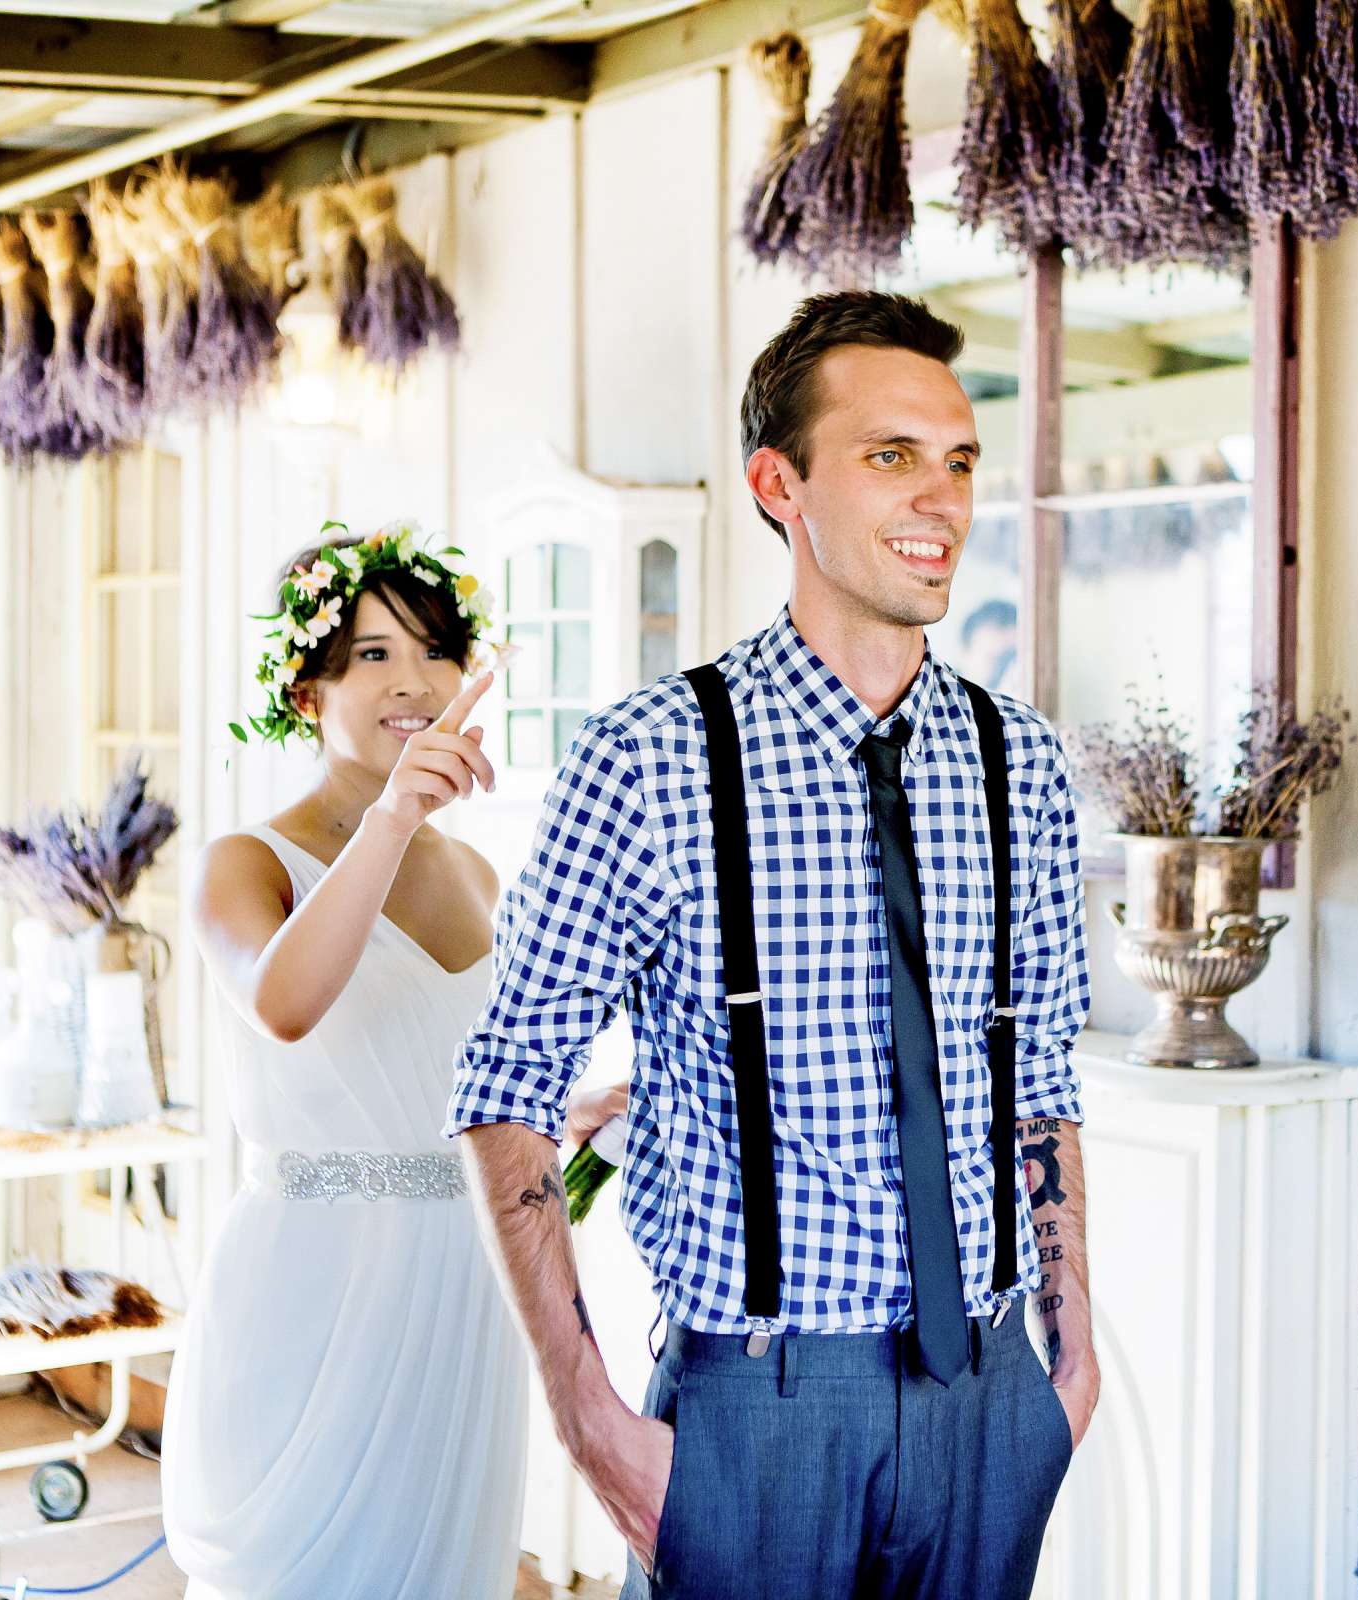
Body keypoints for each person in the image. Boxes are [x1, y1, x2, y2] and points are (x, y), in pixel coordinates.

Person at [451, 291, 1098, 1599]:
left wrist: (1071, 1366)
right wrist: (588, 1423)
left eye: (961, 459)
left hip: (988, 1401)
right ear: (777, 482)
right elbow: (506, 1094)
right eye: (891, 456)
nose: (943, 498)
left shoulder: (1018, 761)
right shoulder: (653, 757)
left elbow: (1039, 1085)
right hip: (760, 1409)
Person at [164, 525, 621, 1598]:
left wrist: (572, 1113)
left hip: (465, 1287)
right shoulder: (242, 862)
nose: (414, 681)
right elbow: (285, 1003)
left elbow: (469, 1079)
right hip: (315, 1280)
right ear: (306, 688)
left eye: (435, 650)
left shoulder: (474, 871)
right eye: (372, 654)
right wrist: (390, 815)